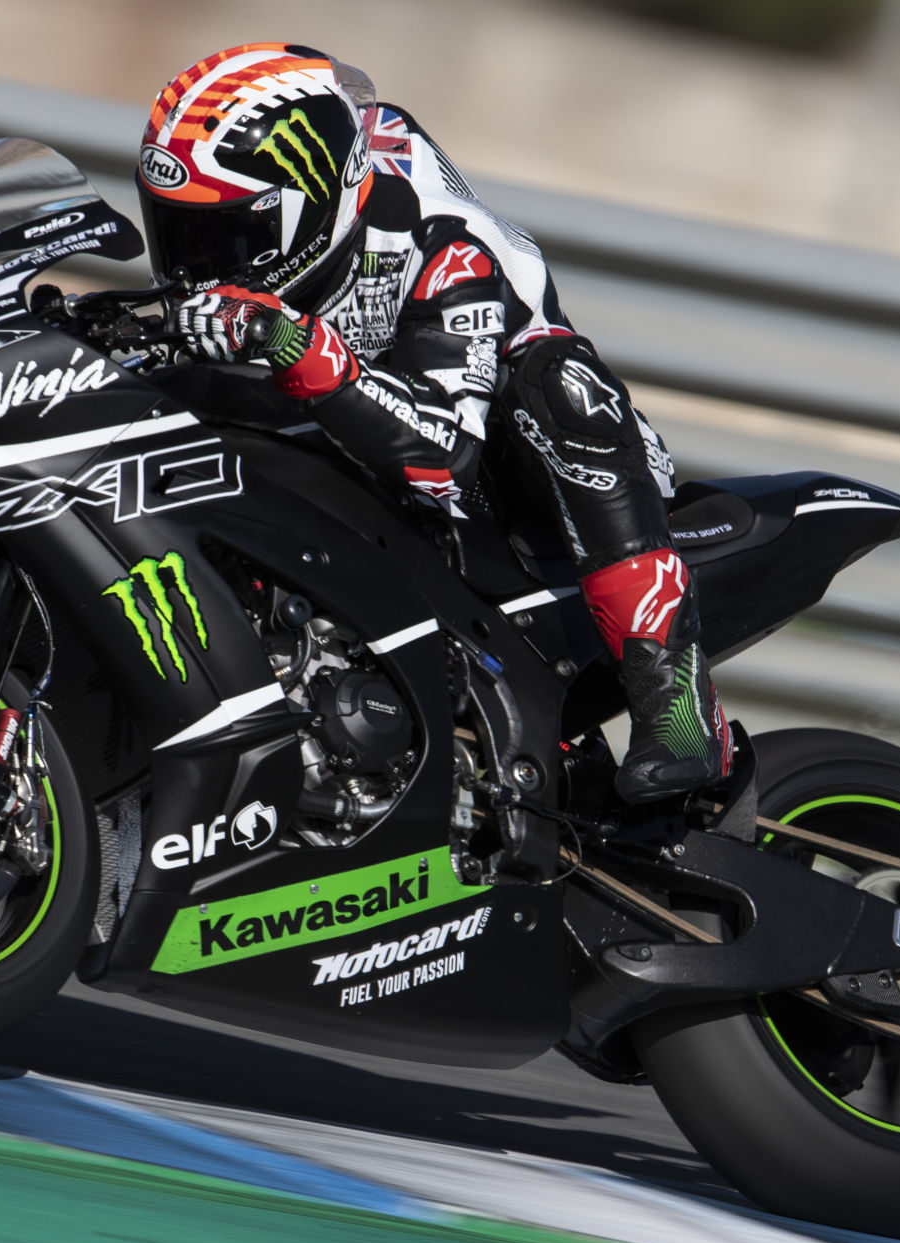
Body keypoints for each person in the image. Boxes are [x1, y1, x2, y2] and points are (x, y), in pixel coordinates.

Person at [140, 43, 732, 803]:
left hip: (501, 469)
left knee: (561, 388)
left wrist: (288, 340)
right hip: (354, 447)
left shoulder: (442, 247)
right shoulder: (263, 257)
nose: (196, 272)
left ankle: (676, 702)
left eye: (221, 241)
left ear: (309, 204)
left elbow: (441, 456)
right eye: (178, 235)